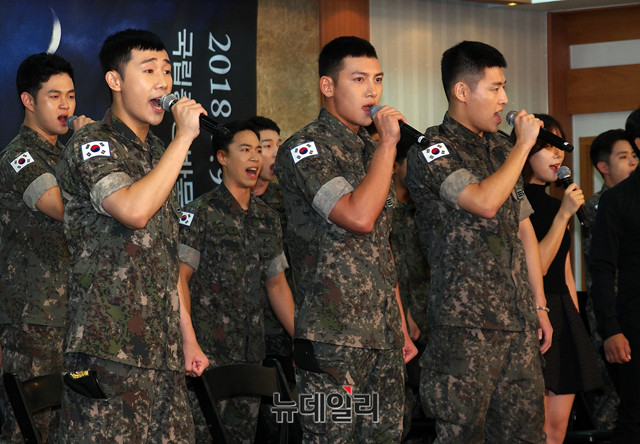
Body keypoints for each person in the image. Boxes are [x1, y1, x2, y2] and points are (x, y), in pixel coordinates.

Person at [55, 29, 208, 442]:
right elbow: (133, 211)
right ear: (115, 80)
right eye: (149, 70)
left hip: (163, 352)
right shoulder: (93, 143)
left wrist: (188, 338)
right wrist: (184, 137)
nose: (163, 82)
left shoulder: (158, 153)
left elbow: (166, 259)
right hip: (109, 350)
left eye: (167, 70)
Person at [405, 40, 552, 443]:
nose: (504, 99)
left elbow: (524, 229)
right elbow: (484, 203)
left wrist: (539, 305)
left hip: (518, 322)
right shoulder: (433, 149)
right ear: (462, 91)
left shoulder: (502, 148)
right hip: (465, 329)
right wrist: (524, 145)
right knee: (464, 435)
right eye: (494, 88)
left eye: (505, 87)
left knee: (526, 435)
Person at [274, 36, 417, 442]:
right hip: (331, 339)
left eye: (378, 79)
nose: (372, 91)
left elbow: (381, 247)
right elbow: (358, 217)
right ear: (328, 86)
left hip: (382, 334)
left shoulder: (369, 150)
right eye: (358, 79)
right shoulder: (306, 148)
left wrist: (399, 322)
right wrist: (388, 143)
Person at [178, 120, 294, 442]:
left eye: (258, 150)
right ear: (222, 158)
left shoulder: (268, 219)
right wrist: (189, 341)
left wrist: (301, 337)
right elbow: (179, 279)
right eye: (245, 150)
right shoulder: (199, 213)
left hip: (251, 355)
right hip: (207, 357)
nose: (255, 157)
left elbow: (276, 284)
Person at [0, 52, 90, 443]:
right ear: (28, 100)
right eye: (54, 96)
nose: (66, 105)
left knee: (70, 427)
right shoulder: (20, 156)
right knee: (28, 428)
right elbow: (61, 207)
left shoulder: (64, 155)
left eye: (70, 95)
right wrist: (87, 144)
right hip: (33, 319)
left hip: (76, 315)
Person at [518, 113, 602, 443]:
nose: (558, 155)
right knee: (533, 428)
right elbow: (535, 268)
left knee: (557, 429)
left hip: (563, 313)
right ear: (526, 149)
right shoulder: (516, 201)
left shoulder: (557, 205)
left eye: (560, 147)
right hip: (532, 313)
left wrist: (576, 324)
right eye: (548, 146)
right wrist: (564, 214)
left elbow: (564, 271)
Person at [588, 109, 640, 442]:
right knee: (634, 418)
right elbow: (602, 268)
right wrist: (611, 330)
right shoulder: (617, 199)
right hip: (634, 324)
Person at [247, 115, 293, 358]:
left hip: (282, 329)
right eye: (267, 146)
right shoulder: (216, 207)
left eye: (279, 145)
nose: (277, 153)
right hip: (237, 331)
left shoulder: (290, 203)